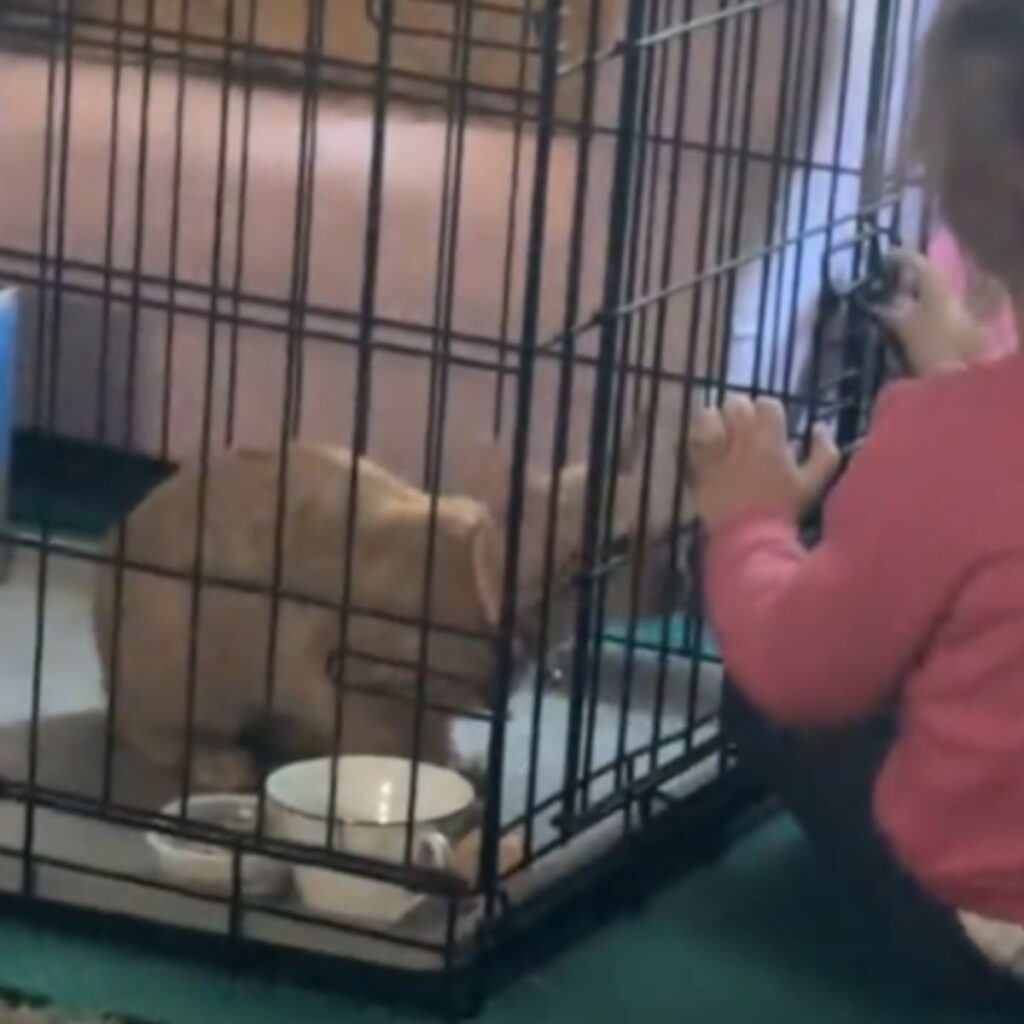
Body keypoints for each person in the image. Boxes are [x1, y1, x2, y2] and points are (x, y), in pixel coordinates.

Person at [687, 0, 1024, 1006]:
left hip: (982, 936)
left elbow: (802, 674)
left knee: (762, 688)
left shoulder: (945, 441)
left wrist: (749, 524)